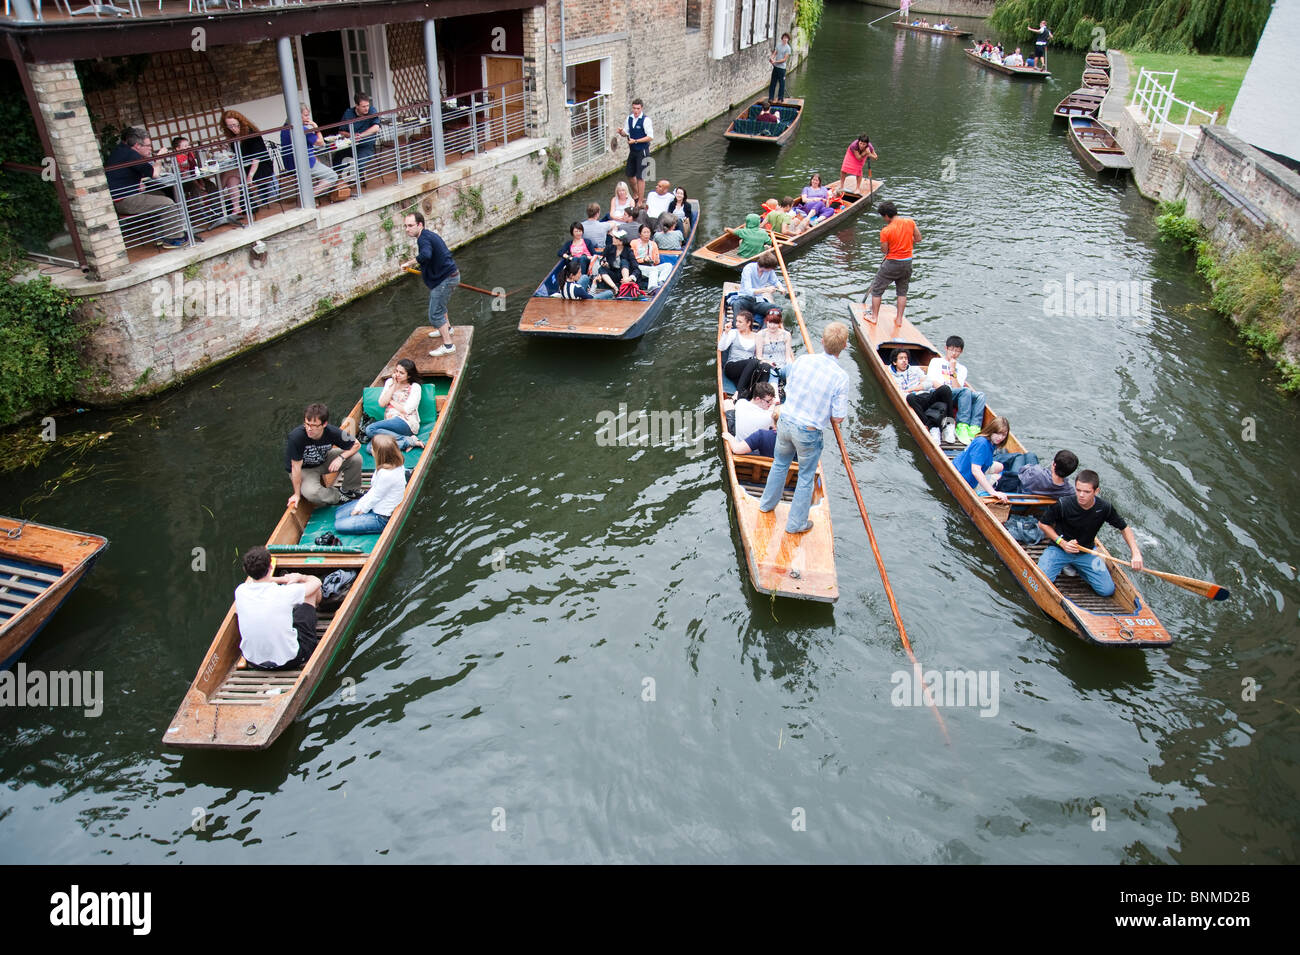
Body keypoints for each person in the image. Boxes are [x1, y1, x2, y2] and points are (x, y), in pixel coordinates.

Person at [758, 322, 850, 535]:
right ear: (844, 346)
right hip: (808, 432)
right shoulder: (841, 378)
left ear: (822, 341)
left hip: (786, 421)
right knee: (806, 476)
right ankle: (795, 524)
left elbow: (784, 377)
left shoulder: (802, 360)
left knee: (780, 464)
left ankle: (766, 505)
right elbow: (838, 417)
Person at [1036, 470, 1143, 597]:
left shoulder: (1104, 508)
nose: (1081, 495)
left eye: (1087, 492)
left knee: (1107, 590)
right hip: (1059, 549)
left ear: (1096, 491)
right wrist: (1062, 543)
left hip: (1086, 552)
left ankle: (1076, 567)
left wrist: (1136, 553)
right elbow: (1042, 524)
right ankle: (1066, 563)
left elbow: (1124, 528)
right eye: (1078, 490)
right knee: (1041, 582)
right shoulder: (1063, 504)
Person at [234, 545, 323, 671]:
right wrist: (300, 577)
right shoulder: (285, 593)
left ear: (246, 570)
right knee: (310, 595)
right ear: (271, 567)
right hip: (290, 660)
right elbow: (316, 582)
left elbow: (260, 582)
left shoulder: (240, 591)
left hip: (253, 661)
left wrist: (283, 579)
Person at [104, 127, 187, 248]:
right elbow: (154, 173)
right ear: (137, 145)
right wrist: (159, 158)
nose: (150, 148)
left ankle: (161, 235)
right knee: (167, 203)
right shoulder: (131, 155)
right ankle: (174, 239)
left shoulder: (121, 150)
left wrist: (137, 182)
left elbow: (126, 174)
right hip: (124, 201)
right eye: (148, 146)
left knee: (161, 194)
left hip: (122, 197)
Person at [285, 401, 364, 509]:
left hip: (324, 459)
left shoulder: (332, 432)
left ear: (324, 424)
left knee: (355, 458)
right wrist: (296, 494)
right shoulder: (296, 437)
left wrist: (341, 458)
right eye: (307, 424)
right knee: (311, 492)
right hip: (304, 469)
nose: (309, 428)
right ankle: (337, 496)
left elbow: (356, 445)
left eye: (314, 425)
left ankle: (350, 489)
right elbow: (295, 467)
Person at [402, 211, 460, 356]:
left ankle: (448, 346)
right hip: (449, 276)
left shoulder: (423, 240)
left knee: (435, 314)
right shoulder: (427, 235)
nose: (407, 229)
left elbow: (426, 255)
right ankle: (448, 328)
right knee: (441, 305)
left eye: (410, 225)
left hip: (445, 280)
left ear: (420, 224)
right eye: (405, 226)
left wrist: (408, 263)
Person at [334, 434, 407, 535]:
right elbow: (373, 491)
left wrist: (362, 510)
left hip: (381, 517)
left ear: (379, 453)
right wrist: (359, 506)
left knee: (339, 525)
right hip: (376, 504)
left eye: (373, 448)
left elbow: (376, 496)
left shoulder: (387, 475)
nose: (371, 449)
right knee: (338, 513)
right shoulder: (387, 465)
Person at [867, 200, 921, 329]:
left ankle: (874, 317)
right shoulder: (910, 222)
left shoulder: (886, 231)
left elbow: (885, 250)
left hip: (892, 263)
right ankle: (899, 319)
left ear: (886, 215)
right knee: (902, 291)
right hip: (907, 262)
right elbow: (918, 238)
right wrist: (908, 240)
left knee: (877, 290)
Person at [925, 335, 986, 445]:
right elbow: (932, 382)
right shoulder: (936, 362)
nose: (953, 353)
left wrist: (953, 370)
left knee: (980, 395)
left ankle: (974, 428)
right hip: (938, 393)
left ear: (961, 352)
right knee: (965, 391)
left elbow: (958, 388)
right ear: (946, 348)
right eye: (951, 350)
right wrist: (946, 391)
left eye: (957, 351)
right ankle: (962, 425)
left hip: (955, 394)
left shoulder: (962, 369)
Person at [890, 348, 954, 443]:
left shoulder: (915, 370)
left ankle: (949, 425)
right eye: (901, 358)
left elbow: (929, 383)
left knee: (945, 389)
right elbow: (901, 393)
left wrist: (913, 388)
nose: (904, 360)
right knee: (909, 397)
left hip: (926, 396)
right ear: (895, 362)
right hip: (914, 400)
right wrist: (919, 386)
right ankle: (932, 428)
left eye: (906, 358)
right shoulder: (892, 375)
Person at [220, 109, 274, 220]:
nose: (233, 128)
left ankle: (215, 195)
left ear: (241, 122)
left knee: (228, 173)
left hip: (259, 168)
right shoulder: (233, 138)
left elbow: (257, 158)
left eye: (235, 125)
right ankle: (236, 208)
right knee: (231, 181)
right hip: (244, 167)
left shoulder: (251, 133)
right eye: (229, 126)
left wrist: (250, 177)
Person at [365, 358, 426, 451]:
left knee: (370, 429)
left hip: (406, 422)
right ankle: (407, 442)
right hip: (390, 423)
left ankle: (406, 440)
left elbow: (406, 410)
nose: (397, 374)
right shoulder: (390, 382)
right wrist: (394, 385)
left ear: (409, 375)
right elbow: (381, 403)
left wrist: (390, 401)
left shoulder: (415, 387)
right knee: (370, 448)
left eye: (401, 373)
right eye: (396, 371)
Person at [280, 104, 338, 196]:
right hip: (304, 164)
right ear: (297, 115)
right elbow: (321, 143)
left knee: (319, 160)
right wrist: (316, 127)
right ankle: (309, 197)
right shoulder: (302, 129)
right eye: (306, 115)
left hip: (290, 164)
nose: (308, 118)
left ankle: (315, 191)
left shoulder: (285, 127)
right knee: (333, 176)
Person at [954, 416, 1010, 502]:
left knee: (1000, 467)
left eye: (1003, 435)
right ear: (991, 430)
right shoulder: (982, 444)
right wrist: (993, 492)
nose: (1000, 438)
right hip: (966, 479)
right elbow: (976, 470)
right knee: (1001, 478)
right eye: (998, 433)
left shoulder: (991, 441)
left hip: (964, 465)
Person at [616, 98, 652, 204]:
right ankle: (636, 194)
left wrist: (636, 140)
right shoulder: (629, 118)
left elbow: (650, 137)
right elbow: (626, 133)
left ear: (641, 108)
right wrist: (621, 132)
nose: (635, 111)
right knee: (630, 174)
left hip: (643, 151)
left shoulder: (646, 120)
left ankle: (640, 201)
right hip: (633, 151)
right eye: (634, 108)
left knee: (641, 177)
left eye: (638, 108)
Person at [732, 251, 783, 323]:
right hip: (745, 299)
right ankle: (735, 328)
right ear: (765, 267)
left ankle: (764, 330)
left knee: (777, 309)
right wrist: (766, 290)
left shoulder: (769, 271)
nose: (772, 270)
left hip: (758, 301)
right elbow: (748, 291)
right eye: (771, 269)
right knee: (736, 304)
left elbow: (775, 281)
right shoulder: (748, 269)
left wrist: (780, 287)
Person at [340, 92, 383, 177]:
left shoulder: (371, 110)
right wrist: (351, 135)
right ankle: (346, 182)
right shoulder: (348, 113)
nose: (366, 108)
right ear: (357, 106)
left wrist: (360, 136)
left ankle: (358, 179)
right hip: (351, 145)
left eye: (367, 105)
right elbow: (341, 132)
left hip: (366, 145)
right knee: (338, 160)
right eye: (363, 106)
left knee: (358, 163)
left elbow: (376, 128)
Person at [719, 308, 759, 395]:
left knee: (757, 367)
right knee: (753, 362)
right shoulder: (733, 333)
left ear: (748, 323)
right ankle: (738, 392)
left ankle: (742, 395)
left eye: (740, 322)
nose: (736, 324)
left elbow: (759, 354)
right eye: (736, 321)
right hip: (732, 366)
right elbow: (721, 348)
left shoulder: (757, 336)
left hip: (746, 370)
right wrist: (725, 333)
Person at [594, 227, 642, 297]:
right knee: (601, 269)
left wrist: (629, 278)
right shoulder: (609, 248)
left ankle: (625, 284)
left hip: (625, 276)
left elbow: (636, 268)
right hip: (614, 274)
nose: (612, 239)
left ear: (621, 241)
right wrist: (604, 263)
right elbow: (602, 259)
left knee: (624, 261)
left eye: (615, 238)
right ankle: (615, 288)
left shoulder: (628, 251)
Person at [757, 305, 795, 387]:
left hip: (782, 366)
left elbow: (788, 357)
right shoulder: (761, 335)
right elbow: (759, 357)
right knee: (771, 372)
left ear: (780, 323)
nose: (772, 326)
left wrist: (790, 365)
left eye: (775, 323)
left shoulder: (786, 335)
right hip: (769, 366)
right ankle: (776, 395)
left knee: (790, 366)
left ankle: (790, 389)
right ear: (766, 322)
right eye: (770, 322)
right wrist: (769, 363)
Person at [632, 223, 671, 289]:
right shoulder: (634, 243)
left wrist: (655, 260)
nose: (646, 234)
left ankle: (661, 281)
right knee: (654, 270)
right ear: (640, 234)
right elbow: (632, 259)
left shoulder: (653, 244)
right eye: (644, 232)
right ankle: (651, 288)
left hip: (651, 266)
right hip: (639, 266)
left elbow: (657, 262)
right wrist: (643, 259)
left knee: (668, 265)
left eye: (648, 232)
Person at [768, 32, 793, 102]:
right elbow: (775, 53)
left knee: (782, 84)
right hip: (776, 68)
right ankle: (771, 98)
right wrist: (771, 58)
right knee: (773, 83)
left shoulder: (788, 48)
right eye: (784, 38)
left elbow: (784, 59)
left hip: (782, 69)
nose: (785, 39)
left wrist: (775, 62)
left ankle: (780, 98)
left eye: (786, 38)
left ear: (788, 39)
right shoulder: (778, 45)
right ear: (782, 38)